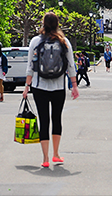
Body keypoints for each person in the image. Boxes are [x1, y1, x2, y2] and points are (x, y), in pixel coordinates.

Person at [23, 12, 79, 168]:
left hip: (39, 86)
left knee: (43, 119)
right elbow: (71, 66)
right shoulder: (64, 41)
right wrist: (74, 86)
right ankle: (56, 154)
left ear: (43, 23)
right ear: (57, 24)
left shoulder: (35, 41)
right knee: (56, 119)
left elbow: (30, 67)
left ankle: (45, 158)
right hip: (59, 87)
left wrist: (27, 86)